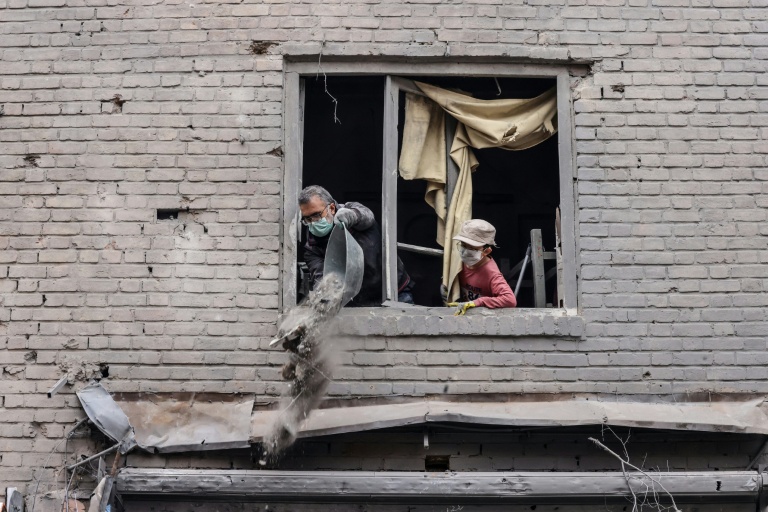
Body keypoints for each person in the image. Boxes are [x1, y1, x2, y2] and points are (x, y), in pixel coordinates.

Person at [299, 185, 414, 307]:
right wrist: (323, 297)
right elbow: (323, 279)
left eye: (316, 215)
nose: (313, 222)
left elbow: (367, 216)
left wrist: (352, 216)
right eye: (307, 219)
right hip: (358, 303)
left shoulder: (351, 210)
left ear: (332, 208)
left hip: (394, 292)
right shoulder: (312, 249)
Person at [444, 219, 517, 315]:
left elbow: (510, 300)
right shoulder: (457, 262)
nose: (464, 252)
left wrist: (479, 302)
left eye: (471, 248)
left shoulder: (491, 273)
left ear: (486, 251)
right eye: (463, 245)